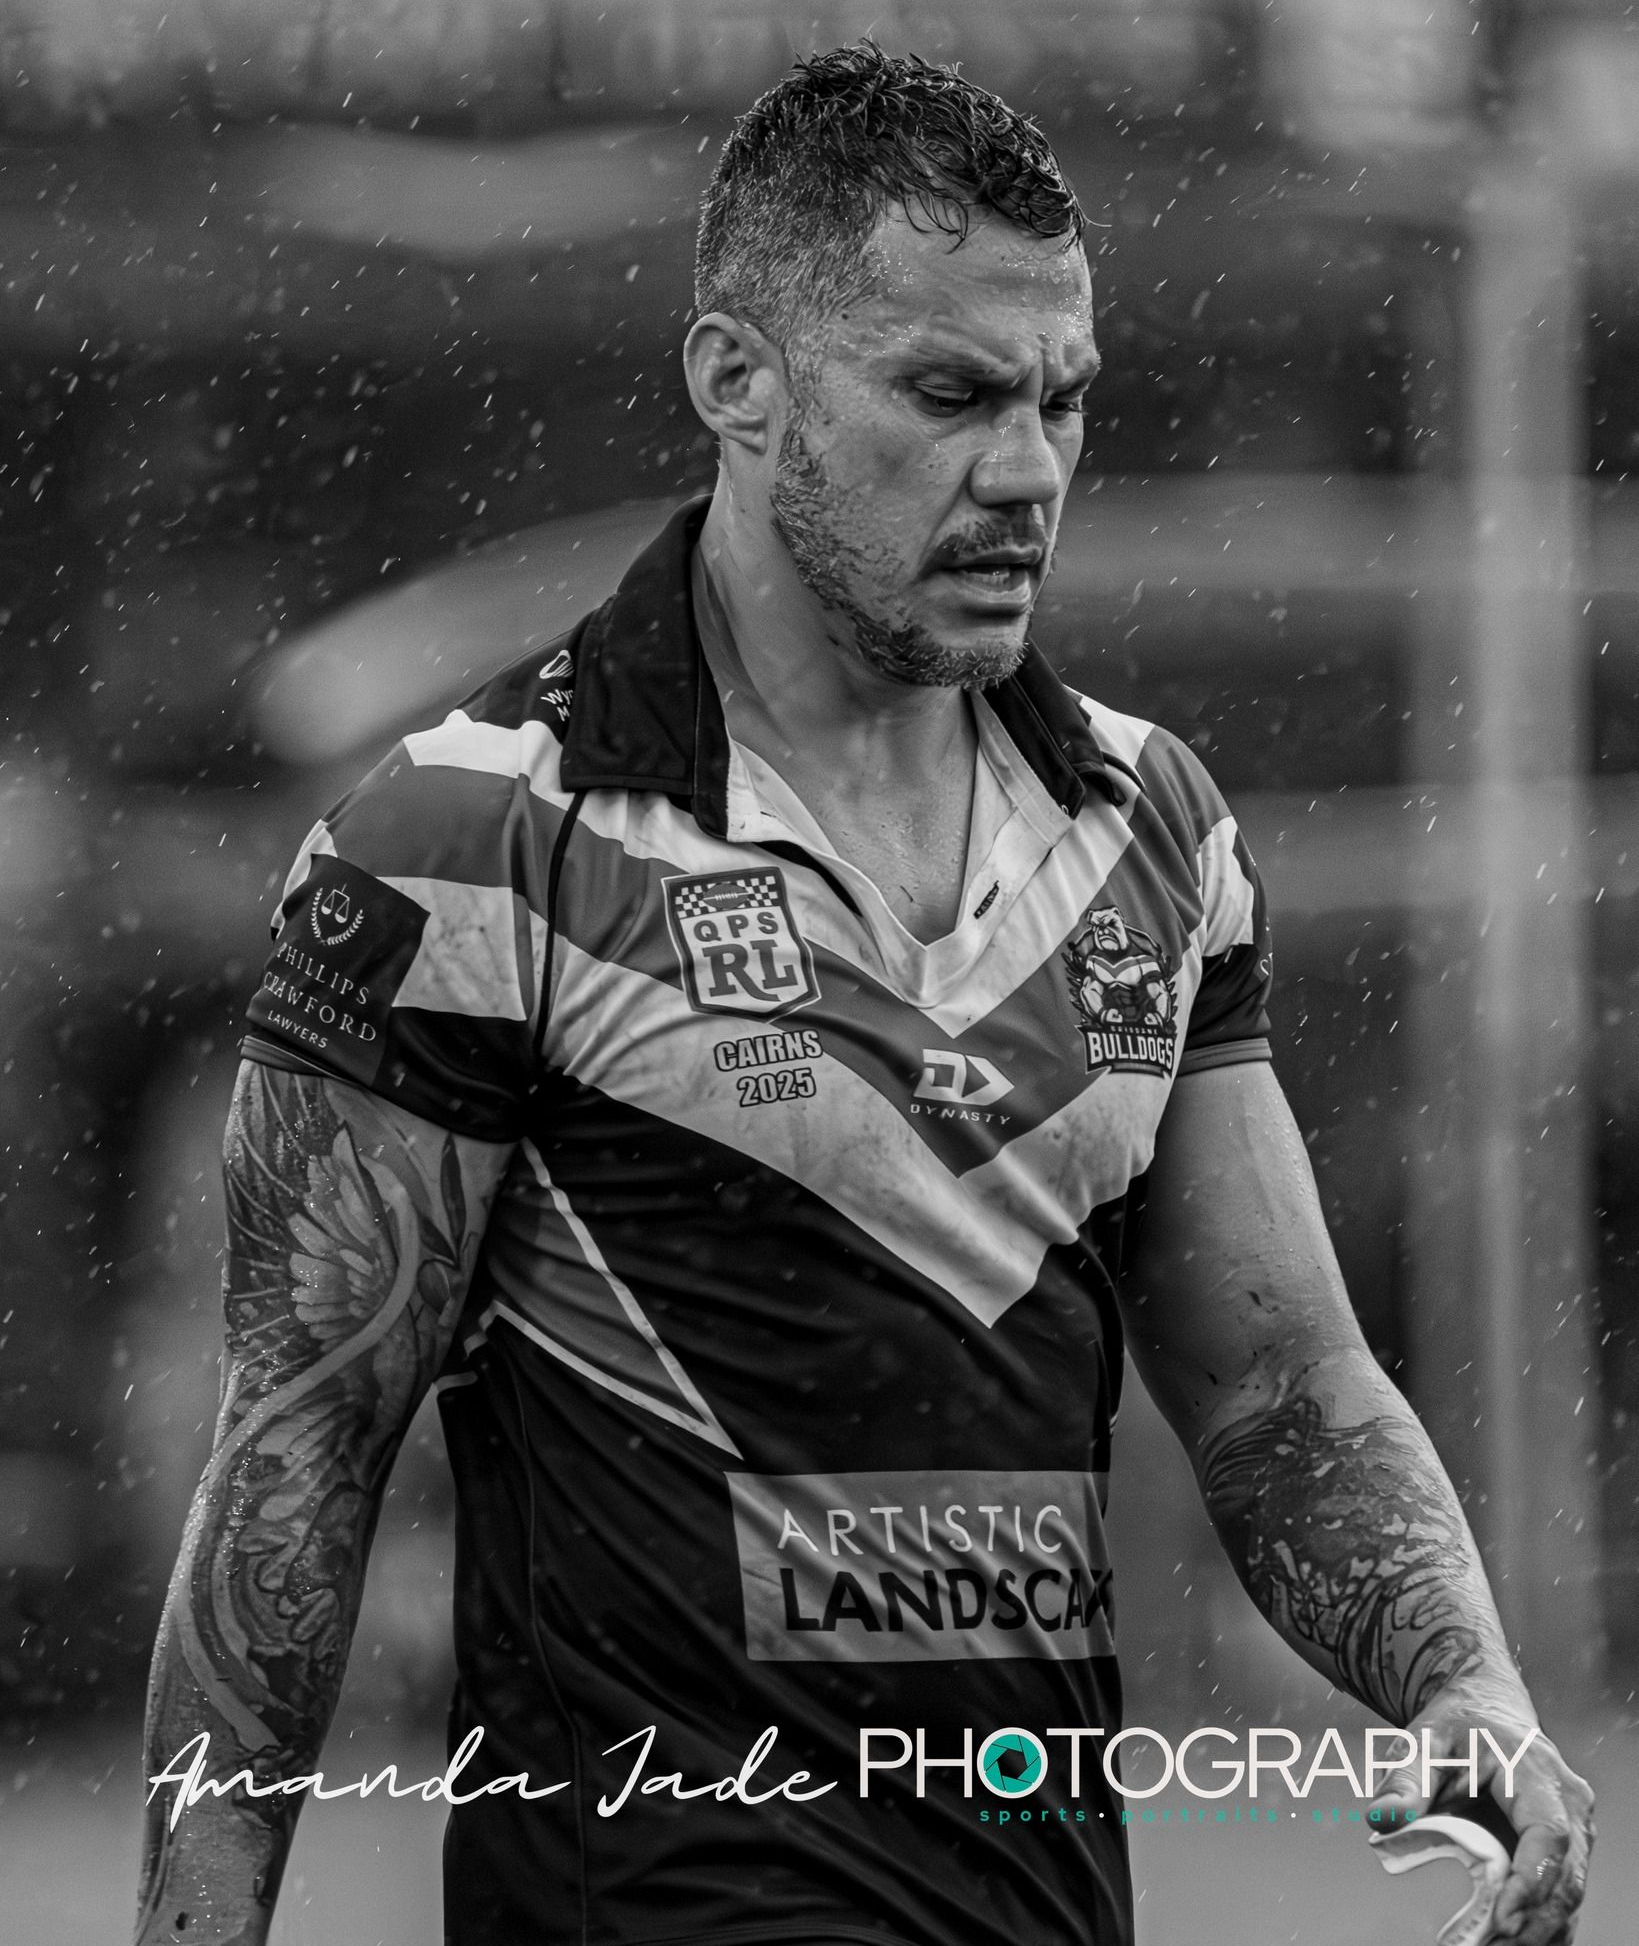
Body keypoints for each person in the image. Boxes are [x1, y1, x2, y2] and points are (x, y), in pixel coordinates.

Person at [135, 42, 1593, 1946]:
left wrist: (1460, 1680)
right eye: (951, 395)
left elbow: (1281, 1390)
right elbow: (295, 1464)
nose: (1027, 472)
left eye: (1064, 401)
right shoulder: (473, 842)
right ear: (736, 384)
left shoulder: (1152, 829)